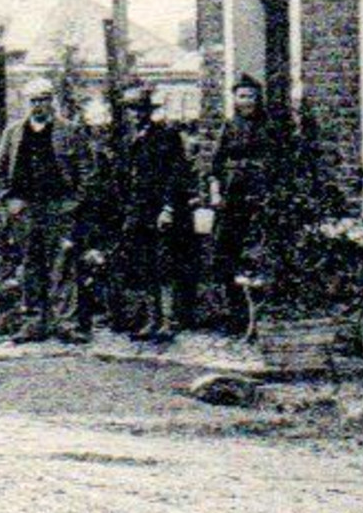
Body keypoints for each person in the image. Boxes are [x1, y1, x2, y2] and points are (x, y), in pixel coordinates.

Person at [0, 77, 88, 343]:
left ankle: (65, 322)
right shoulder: (13, 134)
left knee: (62, 263)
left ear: (52, 102)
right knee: (30, 265)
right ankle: (33, 321)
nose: (39, 106)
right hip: (25, 210)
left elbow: (86, 170)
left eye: (44, 100)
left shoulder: (68, 131)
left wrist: (74, 202)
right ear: (28, 103)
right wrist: (8, 199)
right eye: (34, 101)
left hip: (59, 209)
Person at [111, 84, 192, 341]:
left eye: (139, 109)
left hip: (161, 211)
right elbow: (122, 178)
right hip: (138, 211)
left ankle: (169, 320)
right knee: (144, 265)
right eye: (130, 110)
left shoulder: (167, 137)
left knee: (165, 264)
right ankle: (151, 319)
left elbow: (176, 175)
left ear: (148, 111)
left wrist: (168, 208)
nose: (135, 115)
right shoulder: (127, 141)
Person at [205, 74, 278, 335]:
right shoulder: (229, 127)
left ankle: (259, 319)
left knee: (257, 254)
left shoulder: (267, 127)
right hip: (230, 199)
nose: (247, 101)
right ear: (234, 99)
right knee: (226, 255)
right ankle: (234, 316)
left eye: (252, 96)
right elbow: (215, 163)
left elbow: (276, 161)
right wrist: (215, 191)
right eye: (242, 96)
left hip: (258, 198)